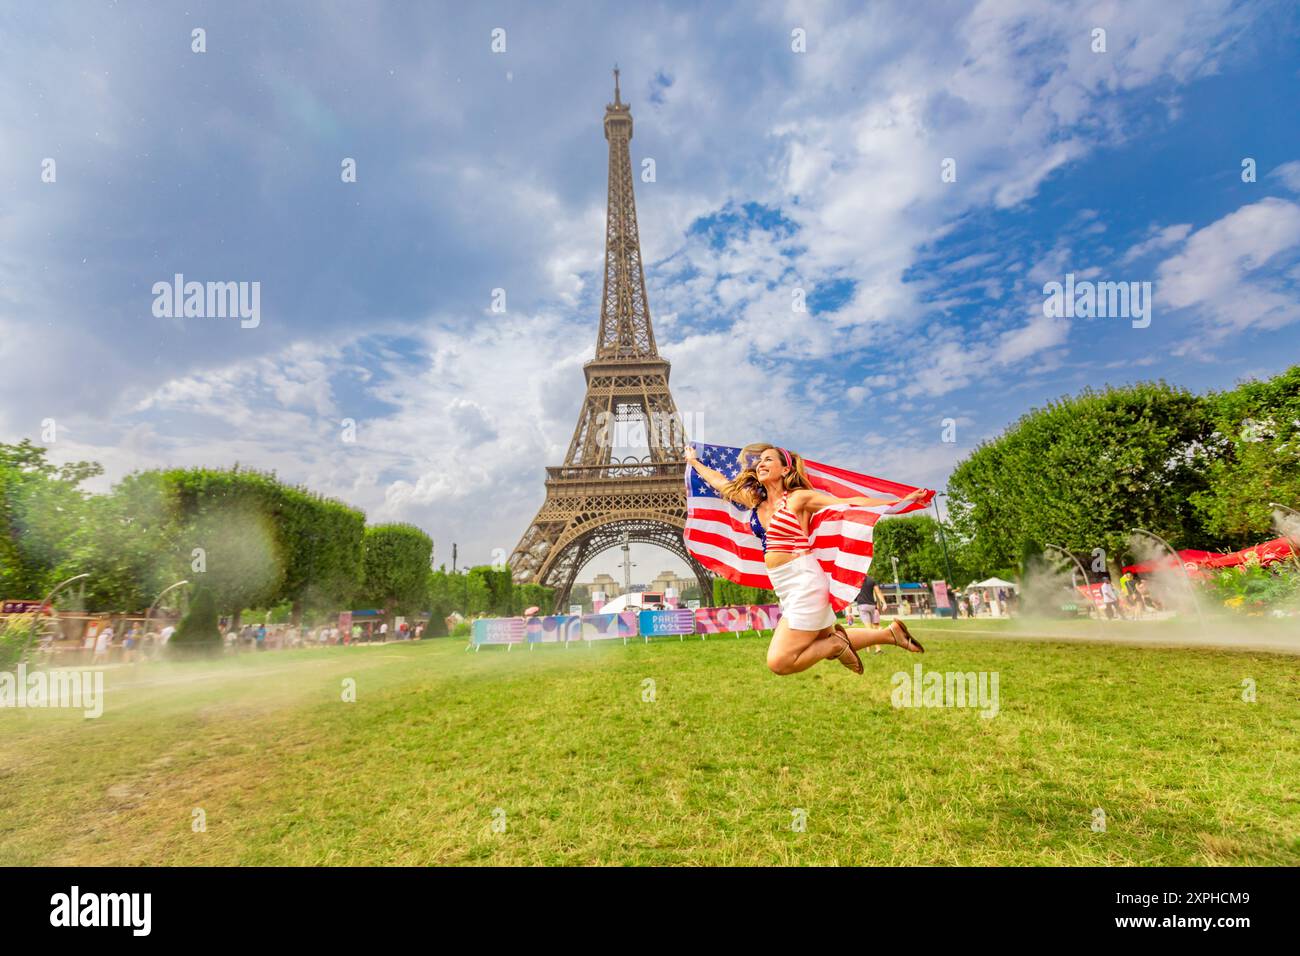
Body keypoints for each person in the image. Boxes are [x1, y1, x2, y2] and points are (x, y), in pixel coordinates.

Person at [686, 443, 925, 676]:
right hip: (785, 585)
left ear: (786, 470)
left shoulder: (797, 499)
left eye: (769, 459)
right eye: (760, 460)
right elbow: (722, 484)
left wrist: (898, 502)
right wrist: (694, 461)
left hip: (804, 580)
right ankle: (890, 634)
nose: (761, 463)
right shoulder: (755, 502)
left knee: (779, 662)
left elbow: (851, 502)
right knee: (821, 637)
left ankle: (836, 646)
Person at [853, 573, 888, 655]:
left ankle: (878, 649)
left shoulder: (856, 580)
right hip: (872, 606)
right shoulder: (871, 580)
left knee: (869, 630)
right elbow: (878, 592)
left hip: (862, 606)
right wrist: (884, 603)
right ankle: (868, 649)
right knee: (872, 628)